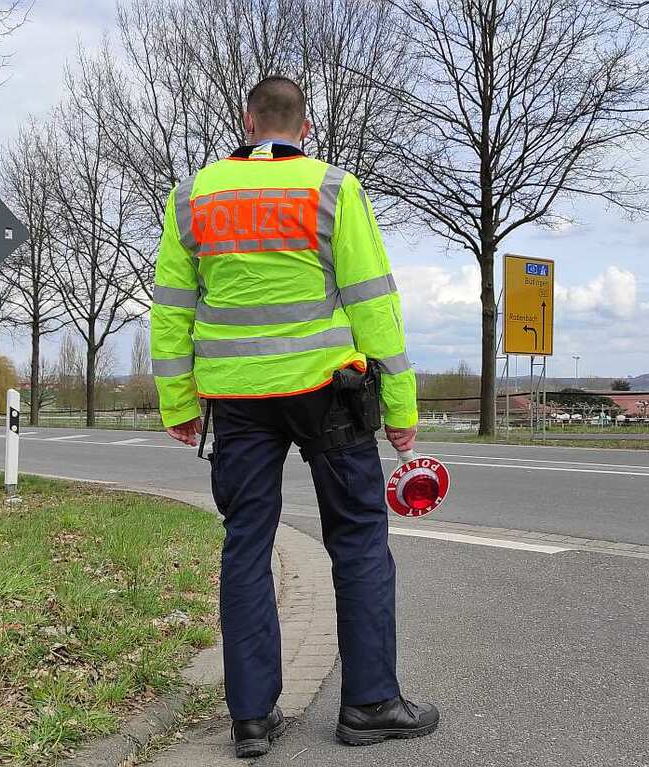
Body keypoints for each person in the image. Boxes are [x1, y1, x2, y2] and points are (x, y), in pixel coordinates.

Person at [150, 76, 439, 758]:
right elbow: (373, 303)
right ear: (304, 128)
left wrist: (179, 402)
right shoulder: (333, 188)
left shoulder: (193, 196)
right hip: (327, 392)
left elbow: (171, 308)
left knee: (247, 544)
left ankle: (251, 717)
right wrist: (400, 407)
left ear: (248, 121)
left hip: (239, 401)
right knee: (359, 536)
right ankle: (370, 703)